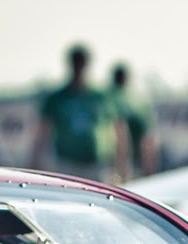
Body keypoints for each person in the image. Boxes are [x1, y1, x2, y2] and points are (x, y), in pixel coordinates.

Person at [32, 44, 129, 182]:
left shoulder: (102, 97)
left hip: (97, 166)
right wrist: (35, 164)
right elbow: (42, 133)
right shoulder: (57, 98)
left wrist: (121, 167)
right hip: (66, 165)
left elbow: (119, 132)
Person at [110, 63, 159, 177]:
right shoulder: (137, 101)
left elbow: (146, 139)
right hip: (128, 163)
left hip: (125, 163)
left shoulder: (114, 99)